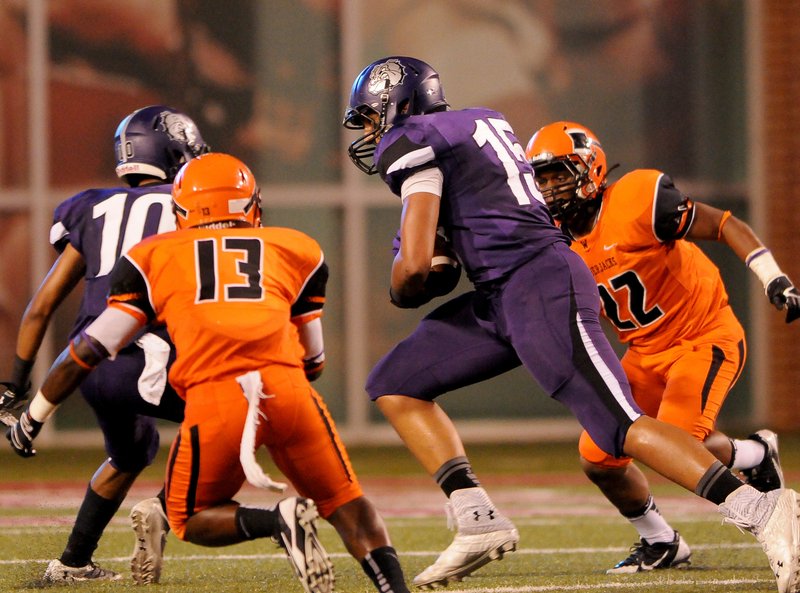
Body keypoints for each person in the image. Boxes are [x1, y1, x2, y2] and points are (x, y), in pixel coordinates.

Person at [342, 55, 800, 593]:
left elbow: (413, 272)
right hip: (502, 294)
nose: (372, 134)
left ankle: (760, 508)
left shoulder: (414, 140)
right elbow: (433, 253)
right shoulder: (474, 127)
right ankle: (476, 518)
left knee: (618, 428)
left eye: (371, 118)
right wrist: (429, 262)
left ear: (396, 102)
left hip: (540, 284)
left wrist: (414, 274)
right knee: (396, 381)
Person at [6, 152, 411, 593]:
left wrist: (36, 413)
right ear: (252, 205)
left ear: (180, 211)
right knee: (346, 501)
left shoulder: (152, 256)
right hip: (291, 391)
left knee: (187, 518)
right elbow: (314, 361)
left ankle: (277, 520)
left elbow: (86, 349)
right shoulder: (295, 248)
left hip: (217, 398)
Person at [525, 120, 799, 573]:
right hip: (644, 353)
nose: (551, 188)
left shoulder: (636, 199)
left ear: (590, 169)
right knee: (598, 457)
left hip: (703, 337)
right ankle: (661, 541)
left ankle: (753, 454)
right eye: (543, 179)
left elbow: (726, 224)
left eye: (559, 174)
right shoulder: (551, 236)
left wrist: (775, 278)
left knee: (676, 446)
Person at [0, 104, 208, 583]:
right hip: (151, 357)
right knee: (235, 424)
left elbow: (41, 304)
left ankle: (71, 563)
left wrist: (14, 384)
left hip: (86, 367)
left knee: (130, 453)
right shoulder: (188, 207)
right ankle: (164, 507)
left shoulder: (90, 206)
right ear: (176, 150)